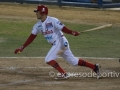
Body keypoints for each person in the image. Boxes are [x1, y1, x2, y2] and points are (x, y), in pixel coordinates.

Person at [14, 5, 100, 79]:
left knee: (48, 59)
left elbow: (63, 28)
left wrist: (72, 32)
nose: (36, 13)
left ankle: (63, 74)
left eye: (37, 12)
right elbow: (32, 37)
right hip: (60, 44)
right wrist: (22, 47)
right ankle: (94, 67)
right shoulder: (37, 25)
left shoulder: (53, 20)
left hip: (60, 42)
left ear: (43, 13)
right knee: (73, 62)